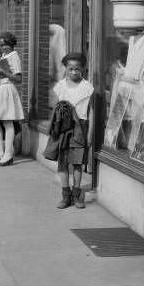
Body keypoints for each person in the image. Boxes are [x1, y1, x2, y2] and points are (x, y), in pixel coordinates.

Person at [47, 52, 95, 209]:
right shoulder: (60, 87)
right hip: (63, 128)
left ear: (82, 68)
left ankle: (77, 194)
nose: (74, 72)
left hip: (80, 126)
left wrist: (89, 134)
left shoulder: (87, 88)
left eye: (77, 69)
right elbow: (55, 111)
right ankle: (65, 194)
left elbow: (91, 113)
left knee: (77, 163)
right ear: (65, 69)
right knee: (63, 162)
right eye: (70, 68)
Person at [0, 31, 25, 166]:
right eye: (2, 44)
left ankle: (8, 154)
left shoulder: (14, 56)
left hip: (8, 89)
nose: (4, 47)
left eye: (6, 44)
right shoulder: (4, 55)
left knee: (7, 122)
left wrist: (2, 71)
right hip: (0, 89)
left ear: (12, 44)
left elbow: (19, 78)